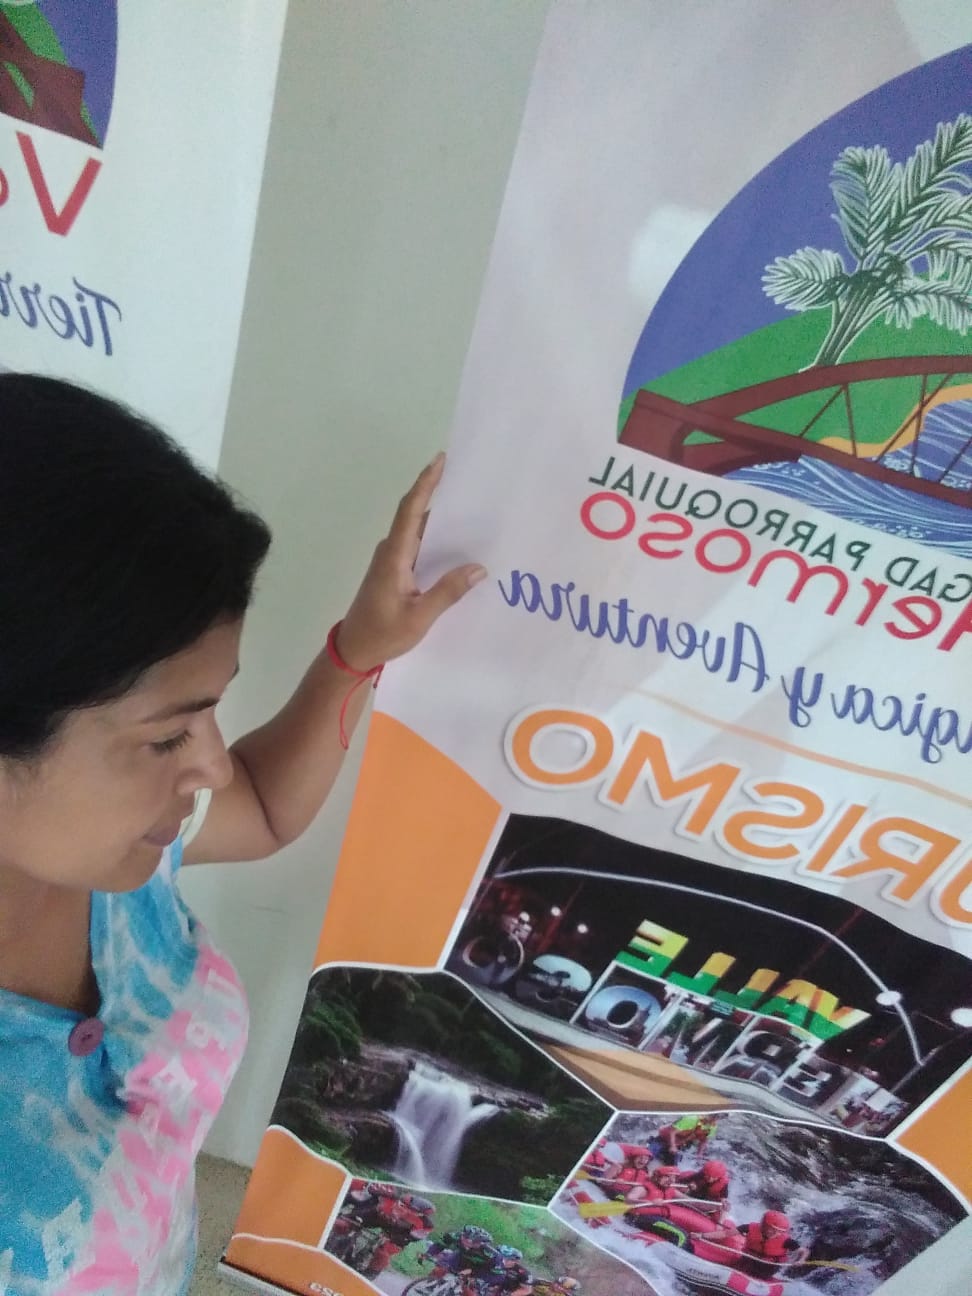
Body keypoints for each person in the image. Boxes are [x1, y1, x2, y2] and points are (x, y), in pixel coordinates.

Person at [0, 374, 486, 1293]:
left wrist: (358, 651)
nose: (213, 766)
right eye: (166, 737)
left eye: (210, 712)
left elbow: (261, 805)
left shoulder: (121, 856)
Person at [331, 1183, 434, 1276]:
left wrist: (392, 1239)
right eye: (402, 1206)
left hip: (397, 1233)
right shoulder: (387, 1196)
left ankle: (370, 1274)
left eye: (411, 1213)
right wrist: (344, 1213)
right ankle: (333, 1242)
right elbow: (355, 1198)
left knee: (384, 1253)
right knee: (343, 1224)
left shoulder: (425, 1225)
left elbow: (409, 1239)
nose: (403, 1212)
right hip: (375, 1216)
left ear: (421, 1216)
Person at [739, 1211, 810, 1276]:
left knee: (757, 1271)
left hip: (768, 1266)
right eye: (772, 1229)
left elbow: (804, 1251)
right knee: (743, 1265)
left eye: (779, 1231)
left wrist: (801, 1260)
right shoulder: (750, 1228)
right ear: (764, 1225)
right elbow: (733, 1232)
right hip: (749, 1257)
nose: (775, 1233)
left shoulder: (786, 1241)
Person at [649, 1114, 718, 1165]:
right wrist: (672, 1146)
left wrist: (699, 1155)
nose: (713, 1119)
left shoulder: (712, 1127)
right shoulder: (691, 1119)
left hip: (679, 1144)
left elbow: (703, 1142)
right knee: (649, 1156)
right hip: (663, 1139)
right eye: (712, 1116)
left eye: (716, 1118)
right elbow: (672, 1132)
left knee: (673, 1165)